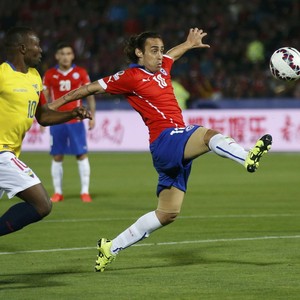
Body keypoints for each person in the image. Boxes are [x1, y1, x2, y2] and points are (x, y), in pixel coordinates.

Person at [54, 28, 272, 271]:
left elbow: (172, 55)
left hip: (172, 148)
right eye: (153, 51)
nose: (160, 56)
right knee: (207, 135)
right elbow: (87, 88)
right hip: (165, 139)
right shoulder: (129, 76)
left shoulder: (162, 68)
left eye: (160, 50)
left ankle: (111, 247)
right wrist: (53, 105)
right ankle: (247, 157)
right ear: (139, 53)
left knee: (167, 213)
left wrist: (189, 43)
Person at [0, 26, 92, 236]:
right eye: (36, 45)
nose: (41, 50)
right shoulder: (2, 75)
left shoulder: (34, 76)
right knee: (42, 204)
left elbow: (42, 116)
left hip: (11, 152)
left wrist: (72, 114)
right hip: (1, 152)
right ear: (23, 48)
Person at [42, 42, 96, 203]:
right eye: (62, 53)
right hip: (56, 120)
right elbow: (45, 97)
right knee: (57, 155)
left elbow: (90, 94)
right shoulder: (50, 74)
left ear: (72, 55)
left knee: (81, 154)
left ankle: (85, 191)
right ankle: (58, 192)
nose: (65, 57)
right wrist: (42, 115)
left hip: (76, 120)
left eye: (68, 53)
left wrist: (93, 114)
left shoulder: (80, 73)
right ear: (57, 56)